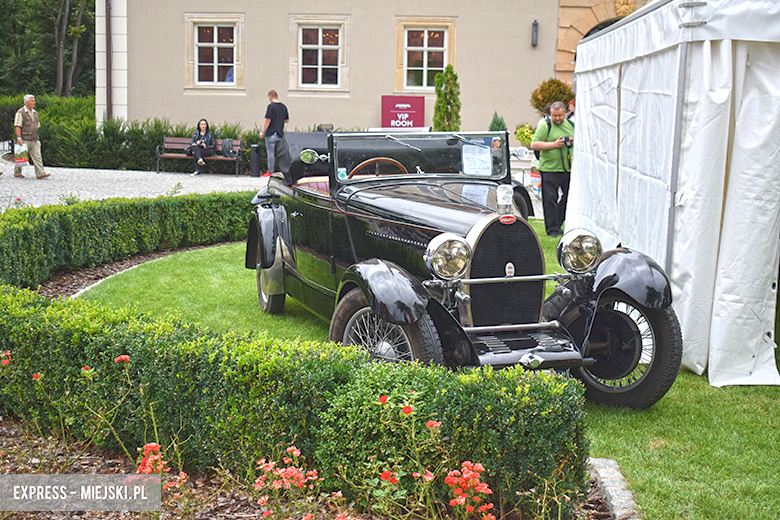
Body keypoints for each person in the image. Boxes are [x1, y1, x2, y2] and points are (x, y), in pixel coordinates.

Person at [530, 100, 574, 237]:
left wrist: (572, 141)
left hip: (567, 169)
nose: (557, 118)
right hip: (549, 169)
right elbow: (534, 144)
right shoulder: (545, 125)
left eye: (560, 115)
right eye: (554, 116)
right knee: (550, 200)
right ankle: (552, 230)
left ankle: (558, 223)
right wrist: (554, 145)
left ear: (565, 113)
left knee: (568, 198)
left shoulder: (571, 125)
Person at [14, 94, 50, 179]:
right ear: (26, 102)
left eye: (34, 101)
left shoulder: (35, 113)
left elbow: (37, 126)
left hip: (34, 139)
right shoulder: (21, 112)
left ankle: (40, 173)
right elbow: (17, 126)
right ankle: (17, 172)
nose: (34, 102)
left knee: (38, 157)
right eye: (32, 101)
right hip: (25, 138)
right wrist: (19, 138)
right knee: (21, 155)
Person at [259, 90, 289, 174]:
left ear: (270, 97)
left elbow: (268, 120)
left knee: (270, 153)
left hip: (271, 133)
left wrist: (262, 131)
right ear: (277, 96)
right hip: (280, 134)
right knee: (281, 154)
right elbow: (287, 120)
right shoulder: (283, 107)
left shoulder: (271, 106)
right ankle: (283, 171)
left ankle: (270, 171)